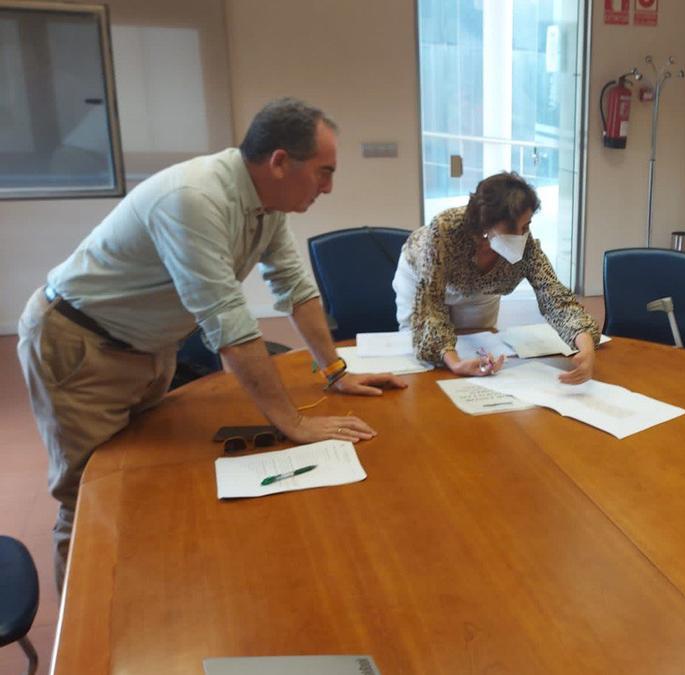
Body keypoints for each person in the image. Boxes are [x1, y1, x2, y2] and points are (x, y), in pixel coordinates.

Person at [17, 97, 407, 589]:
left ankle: (137, 593)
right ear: (280, 162)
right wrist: (294, 423)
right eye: (323, 172)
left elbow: (294, 287)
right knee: (90, 497)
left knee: (140, 477)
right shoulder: (194, 198)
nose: (328, 188)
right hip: (81, 345)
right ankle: (83, 647)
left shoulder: (267, 204)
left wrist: (336, 371)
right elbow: (231, 329)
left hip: (148, 346)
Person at [393, 172, 600, 383]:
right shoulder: (445, 230)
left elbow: (555, 297)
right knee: (427, 358)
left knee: (477, 348)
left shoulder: (525, 245)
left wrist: (585, 346)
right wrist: (455, 363)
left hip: (482, 290)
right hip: (423, 278)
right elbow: (431, 307)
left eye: (526, 225)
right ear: (486, 224)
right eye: (513, 228)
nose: (522, 235)